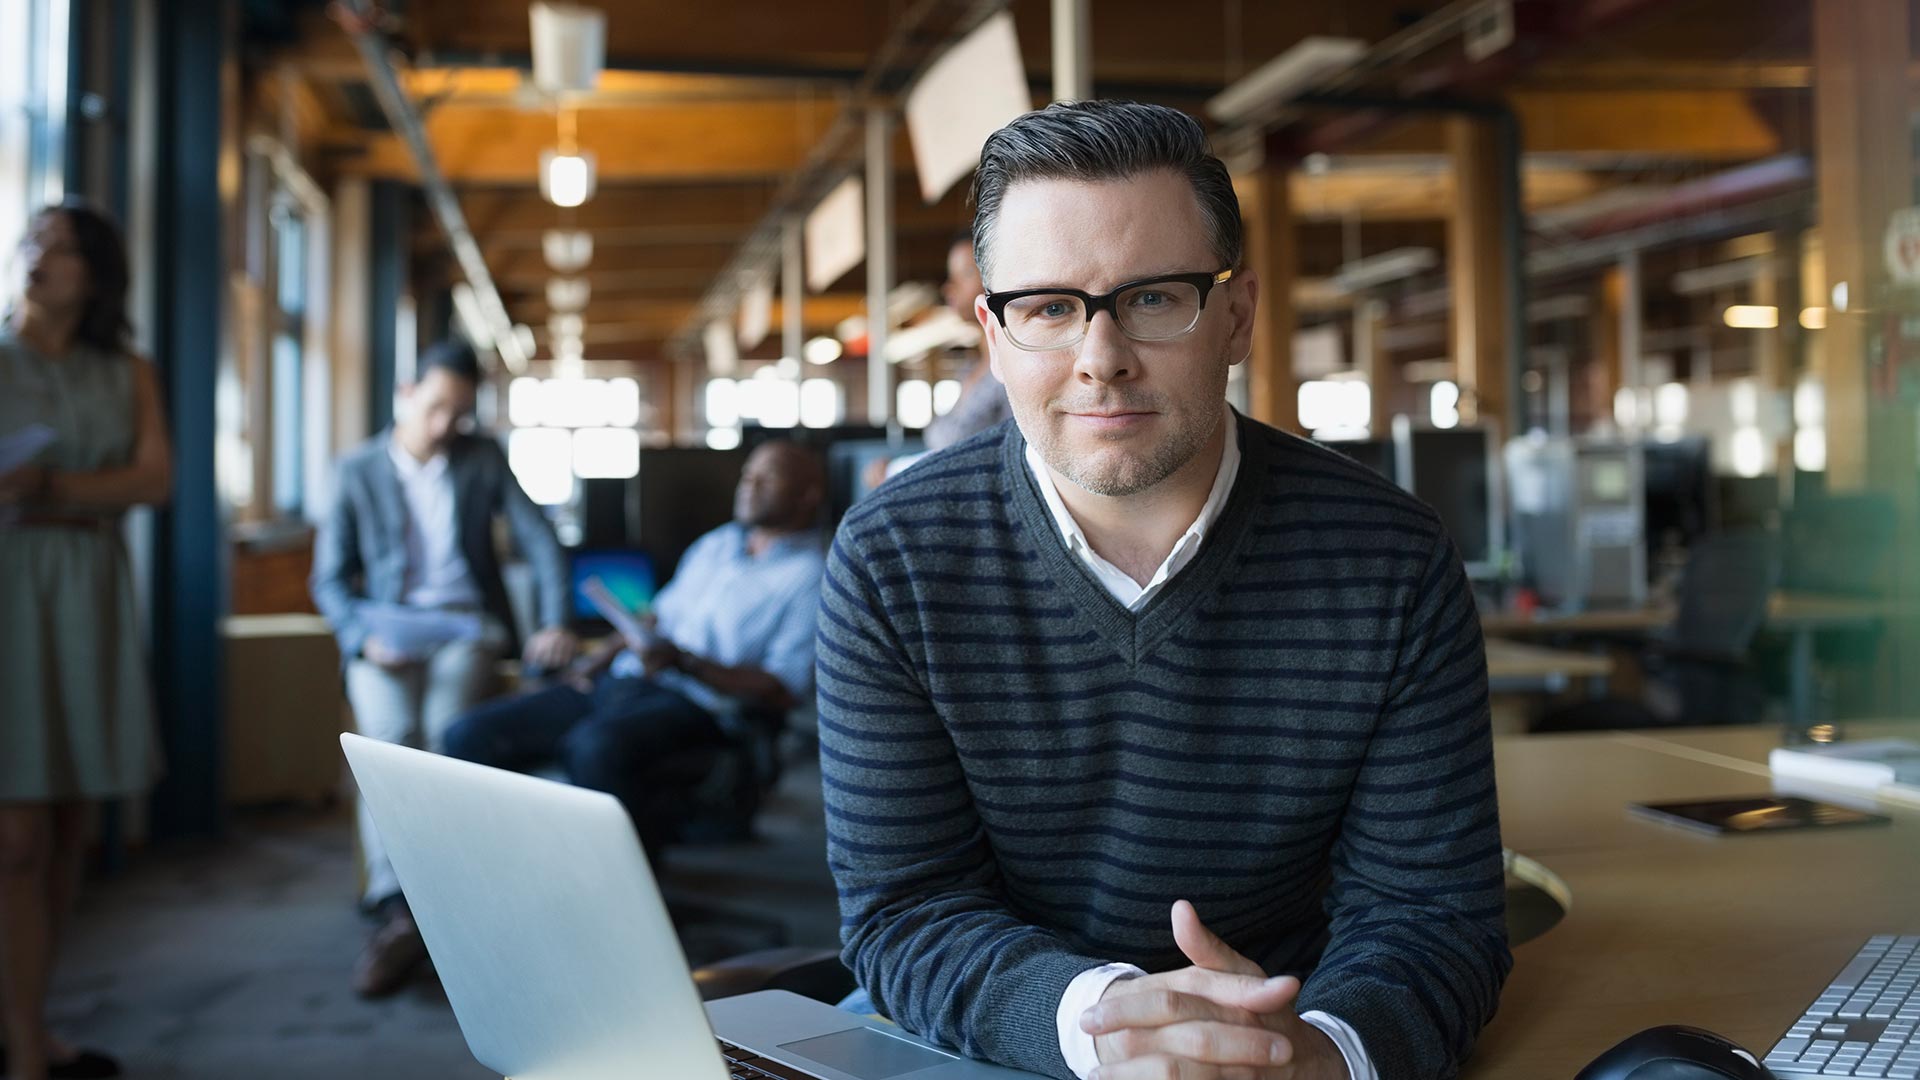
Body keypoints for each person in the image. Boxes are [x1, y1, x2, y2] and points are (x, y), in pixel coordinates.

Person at [817, 101, 1510, 1080]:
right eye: (1050, 308)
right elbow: (904, 910)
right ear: (994, 333)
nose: (1101, 358)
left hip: (1282, 1034)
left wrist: (1324, 1053)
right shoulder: (893, 561)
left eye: (1152, 298)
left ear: (1236, 316)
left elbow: (1432, 914)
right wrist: (1107, 1024)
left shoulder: (1390, 560)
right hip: (1002, 1044)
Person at [309, 339, 578, 998]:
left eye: (458, 413)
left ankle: (435, 896)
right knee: (385, 739)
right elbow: (330, 580)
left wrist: (554, 619)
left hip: (465, 627)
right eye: (434, 408)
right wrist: (362, 636)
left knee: (445, 734)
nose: (444, 426)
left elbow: (541, 540)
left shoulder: (482, 458)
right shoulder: (355, 471)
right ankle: (399, 901)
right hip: (384, 630)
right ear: (405, 394)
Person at [443, 439, 826, 861]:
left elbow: (784, 688)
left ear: (807, 494)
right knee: (468, 735)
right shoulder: (716, 545)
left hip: (700, 708)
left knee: (592, 748)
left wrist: (685, 662)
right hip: (625, 680)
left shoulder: (811, 576)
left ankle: (620, 905)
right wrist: (593, 662)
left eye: (766, 477)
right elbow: (654, 619)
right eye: (747, 474)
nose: (748, 485)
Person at [0, 202, 169, 1080]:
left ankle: (34, 1018)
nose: (39, 257)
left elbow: (156, 478)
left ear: (95, 275)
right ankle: (25, 1047)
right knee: (17, 836)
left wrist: (54, 486)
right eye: (33, 240)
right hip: (8, 593)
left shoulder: (127, 371)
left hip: (90, 592)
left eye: (62, 249)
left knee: (70, 825)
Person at [920, 231, 1011, 453]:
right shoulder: (970, 369)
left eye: (966, 273)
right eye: (952, 276)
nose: (950, 286)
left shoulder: (1011, 370)